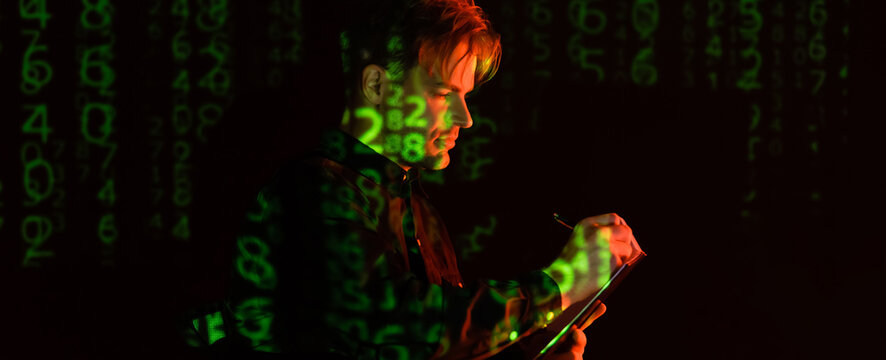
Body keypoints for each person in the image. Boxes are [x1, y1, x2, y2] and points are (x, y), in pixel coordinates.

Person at [199, 1, 644, 359]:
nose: (464, 118)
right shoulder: (310, 193)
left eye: (465, 96)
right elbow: (396, 325)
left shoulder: (417, 207)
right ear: (376, 86)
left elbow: (430, 344)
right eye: (442, 93)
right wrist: (558, 285)